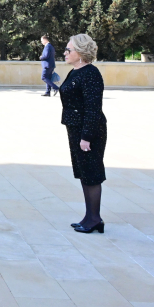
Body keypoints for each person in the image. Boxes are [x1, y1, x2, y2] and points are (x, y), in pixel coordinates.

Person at [59, 33, 107, 234]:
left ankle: (95, 219)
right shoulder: (75, 71)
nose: (65, 52)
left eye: (69, 50)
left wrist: (86, 136)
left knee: (92, 174)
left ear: (80, 53)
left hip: (89, 131)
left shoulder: (90, 73)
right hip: (75, 128)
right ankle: (89, 217)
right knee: (84, 173)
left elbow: (93, 108)